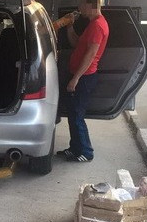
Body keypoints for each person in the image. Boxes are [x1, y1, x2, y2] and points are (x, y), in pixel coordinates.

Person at [57, 0, 109, 162]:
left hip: (84, 77)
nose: (79, 8)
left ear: (91, 5)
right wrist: (69, 26)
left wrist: (76, 78)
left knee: (77, 116)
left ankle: (86, 152)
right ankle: (75, 148)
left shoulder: (98, 26)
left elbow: (90, 55)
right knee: (73, 114)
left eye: (81, 4)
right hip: (80, 75)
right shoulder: (92, 24)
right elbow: (76, 43)